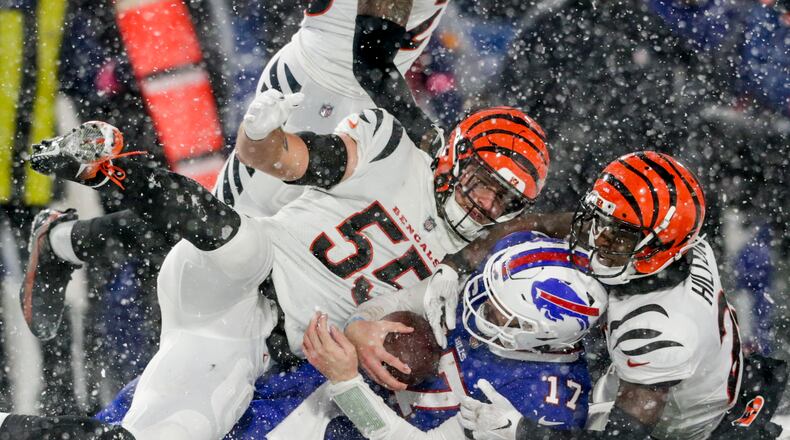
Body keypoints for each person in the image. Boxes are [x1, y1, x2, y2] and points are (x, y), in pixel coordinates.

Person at [8, 85, 547, 440]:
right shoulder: (391, 151)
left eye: (505, 202)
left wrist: (360, 336)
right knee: (243, 250)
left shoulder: (452, 272)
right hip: (237, 268)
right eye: (484, 186)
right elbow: (279, 158)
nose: (486, 207)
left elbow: (368, 322)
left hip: (244, 338)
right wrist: (260, 135)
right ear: (457, 157)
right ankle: (111, 165)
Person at [21, 0, 451, 344]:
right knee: (220, 235)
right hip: (314, 97)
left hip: (356, 108)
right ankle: (63, 242)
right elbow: (371, 55)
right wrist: (426, 136)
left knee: (271, 248)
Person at [95, 231, 607, 439]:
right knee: (163, 410)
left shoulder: (543, 405)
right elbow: (405, 299)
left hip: (368, 419)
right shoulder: (530, 254)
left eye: (498, 313)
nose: (476, 308)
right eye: (485, 289)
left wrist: (348, 386)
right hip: (335, 394)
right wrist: (366, 325)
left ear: (541, 341)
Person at [431, 151, 749, 439]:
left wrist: (522, 431)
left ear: (657, 250)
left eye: (617, 234)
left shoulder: (658, 329)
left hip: (679, 429)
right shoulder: (671, 244)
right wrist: (455, 264)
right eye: (600, 220)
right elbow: (544, 222)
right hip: (679, 371)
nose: (598, 238)